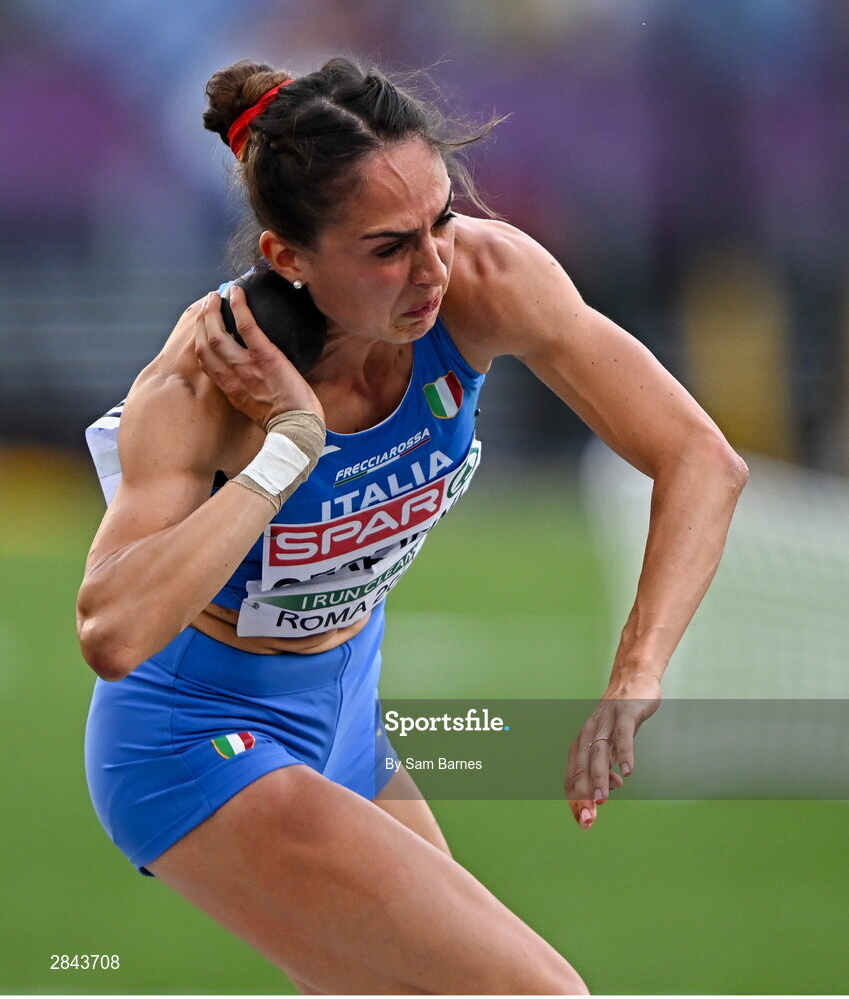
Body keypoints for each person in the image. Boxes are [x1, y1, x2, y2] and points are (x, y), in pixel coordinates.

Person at [77, 57, 748, 995]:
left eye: (440, 218)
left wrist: (635, 671)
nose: (435, 266)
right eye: (388, 247)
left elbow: (700, 461)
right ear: (288, 258)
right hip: (198, 740)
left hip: (346, 711)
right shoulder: (204, 384)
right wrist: (289, 448)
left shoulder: (481, 276)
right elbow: (111, 632)